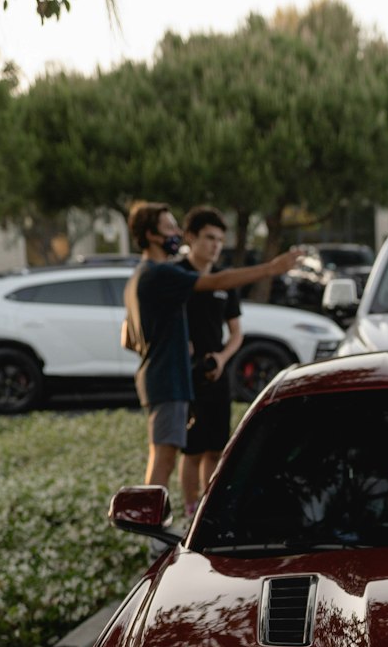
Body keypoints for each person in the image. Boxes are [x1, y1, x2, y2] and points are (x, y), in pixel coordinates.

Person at [123, 201, 301, 493]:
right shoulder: (160, 273)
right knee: (165, 459)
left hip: (162, 378)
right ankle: (154, 535)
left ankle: (158, 528)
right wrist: (272, 268)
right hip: (169, 380)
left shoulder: (141, 276)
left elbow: (127, 337)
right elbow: (216, 280)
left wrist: (172, 342)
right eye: (169, 227)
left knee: (169, 455)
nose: (177, 233)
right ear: (151, 235)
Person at [179, 206, 244, 517]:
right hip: (185, 376)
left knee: (216, 449)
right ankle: (190, 510)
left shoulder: (224, 281)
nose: (215, 245)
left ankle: (207, 512)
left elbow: (236, 334)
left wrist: (222, 357)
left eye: (220, 239)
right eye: (209, 238)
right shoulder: (176, 276)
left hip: (217, 373)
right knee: (191, 450)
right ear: (191, 238)